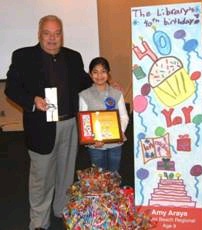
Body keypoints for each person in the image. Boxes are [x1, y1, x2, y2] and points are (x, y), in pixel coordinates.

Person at [4, 15, 92, 230]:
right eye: (47, 33)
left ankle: (61, 210)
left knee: (65, 173)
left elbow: (86, 82)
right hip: (41, 127)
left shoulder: (73, 57)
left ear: (62, 35)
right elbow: (12, 88)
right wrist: (32, 101)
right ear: (39, 34)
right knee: (41, 179)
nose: (52, 38)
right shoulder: (23, 56)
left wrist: (106, 84)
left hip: (70, 124)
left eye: (57, 33)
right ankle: (39, 222)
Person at [79, 57, 129, 172]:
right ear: (90, 75)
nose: (99, 75)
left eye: (103, 71)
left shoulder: (117, 93)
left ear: (108, 73)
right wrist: (92, 139)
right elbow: (84, 121)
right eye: (95, 72)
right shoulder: (84, 95)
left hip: (115, 144)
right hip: (96, 145)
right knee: (99, 178)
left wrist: (119, 133)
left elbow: (123, 116)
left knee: (114, 175)